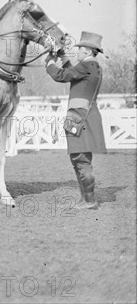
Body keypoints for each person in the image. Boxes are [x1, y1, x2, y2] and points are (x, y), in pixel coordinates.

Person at [46, 31, 107, 210]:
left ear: (88, 51)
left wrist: (50, 63)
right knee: (78, 158)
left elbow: (62, 75)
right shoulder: (90, 66)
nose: (78, 51)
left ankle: (89, 201)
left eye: (80, 49)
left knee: (80, 159)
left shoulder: (87, 66)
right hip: (81, 116)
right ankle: (85, 199)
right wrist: (62, 55)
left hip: (80, 117)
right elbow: (71, 71)